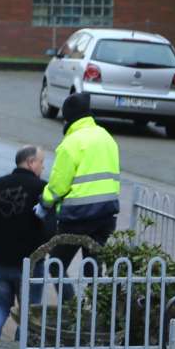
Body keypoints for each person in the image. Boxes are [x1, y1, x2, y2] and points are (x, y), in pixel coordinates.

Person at [36, 92, 121, 285]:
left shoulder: (71, 143)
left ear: (69, 118)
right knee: (93, 266)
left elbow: (58, 185)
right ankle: (94, 309)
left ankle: (69, 306)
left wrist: (44, 202)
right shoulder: (106, 137)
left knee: (56, 265)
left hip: (78, 217)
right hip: (106, 215)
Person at [0, 144, 48, 340]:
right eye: (42, 163)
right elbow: (50, 226)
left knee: (0, 302)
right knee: (29, 309)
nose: (43, 168)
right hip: (31, 261)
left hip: (0, 257)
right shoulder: (42, 189)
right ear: (31, 162)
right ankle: (20, 347)